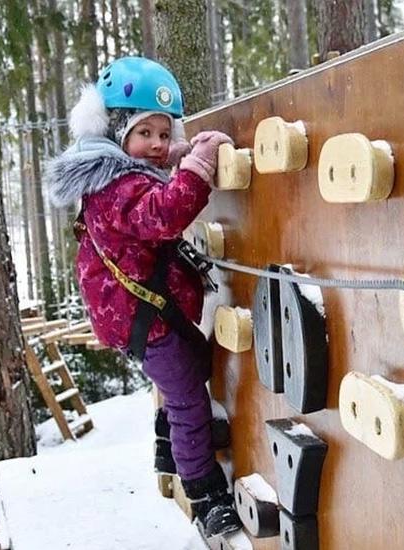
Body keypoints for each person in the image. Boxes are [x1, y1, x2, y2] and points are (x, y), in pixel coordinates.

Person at [46, 56, 241, 538]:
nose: (156, 144)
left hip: (142, 316)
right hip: (147, 321)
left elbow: (146, 185)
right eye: (144, 134)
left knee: (190, 369)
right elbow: (163, 213)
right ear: (116, 136)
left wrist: (174, 157)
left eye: (163, 133)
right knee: (189, 399)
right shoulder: (117, 185)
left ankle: (168, 444)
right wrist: (196, 163)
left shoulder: (114, 174)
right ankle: (206, 493)